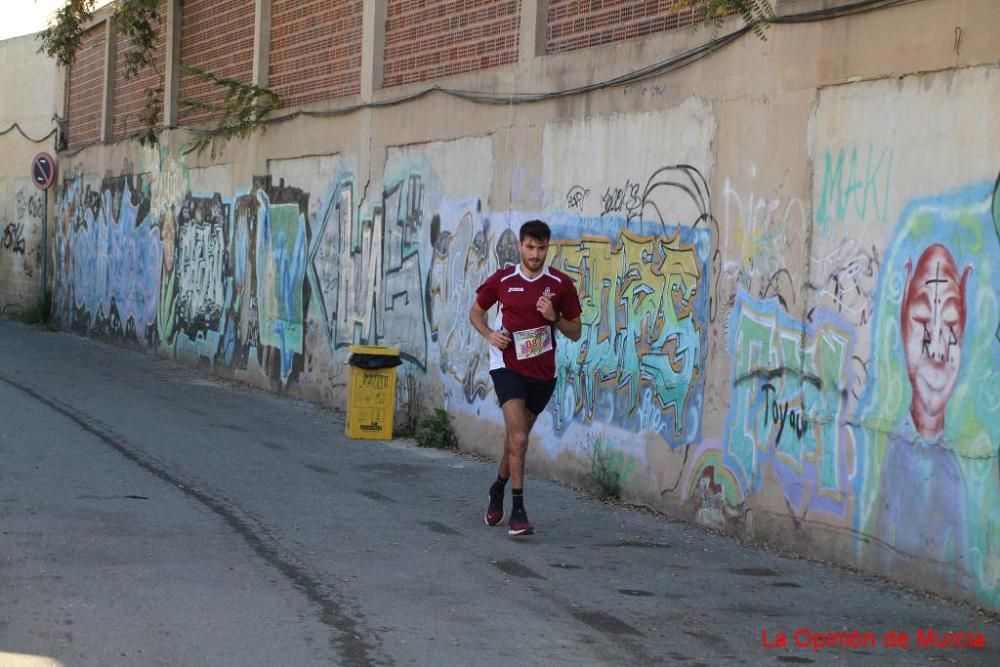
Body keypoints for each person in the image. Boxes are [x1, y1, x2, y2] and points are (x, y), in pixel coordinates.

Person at [469, 220, 582, 535]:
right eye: (530, 247)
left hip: (542, 374)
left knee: (515, 441)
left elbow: (576, 331)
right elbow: (475, 313)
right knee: (519, 438)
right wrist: (491, 334)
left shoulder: (560, 285)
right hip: (507, 366)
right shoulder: (504, 280)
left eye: (541, 247)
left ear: (548, 247)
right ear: (520, 247)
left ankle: (498, 489)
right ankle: (518, 512)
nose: (535, 254)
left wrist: (554, 318)